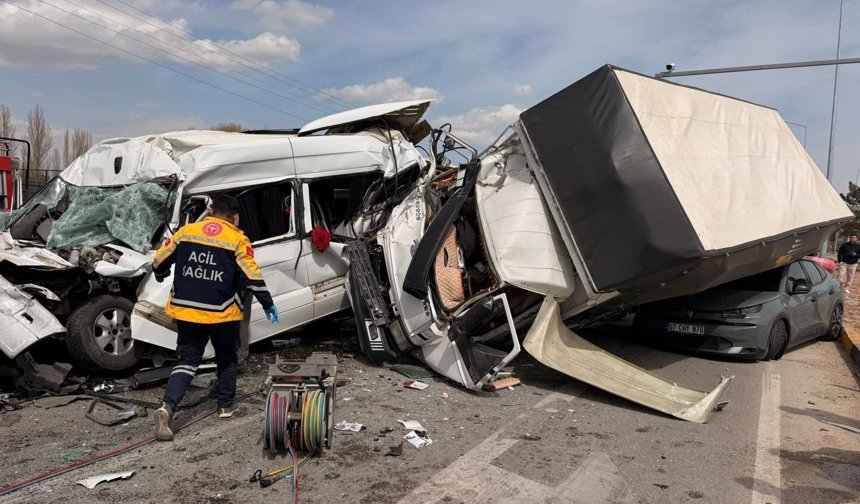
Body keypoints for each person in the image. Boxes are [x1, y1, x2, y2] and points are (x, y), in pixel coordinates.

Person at [150, 194, 280, 441]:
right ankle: (225, 406)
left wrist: (161, 272)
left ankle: (167, 407)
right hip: (222, 313)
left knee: (187, 361)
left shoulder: (187, 232)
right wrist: (268, 303)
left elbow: (159, 260)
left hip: (186, 310)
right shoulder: (237, 239)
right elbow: (252, 276)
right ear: (235, 216)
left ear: (210, 211)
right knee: (227, 357)